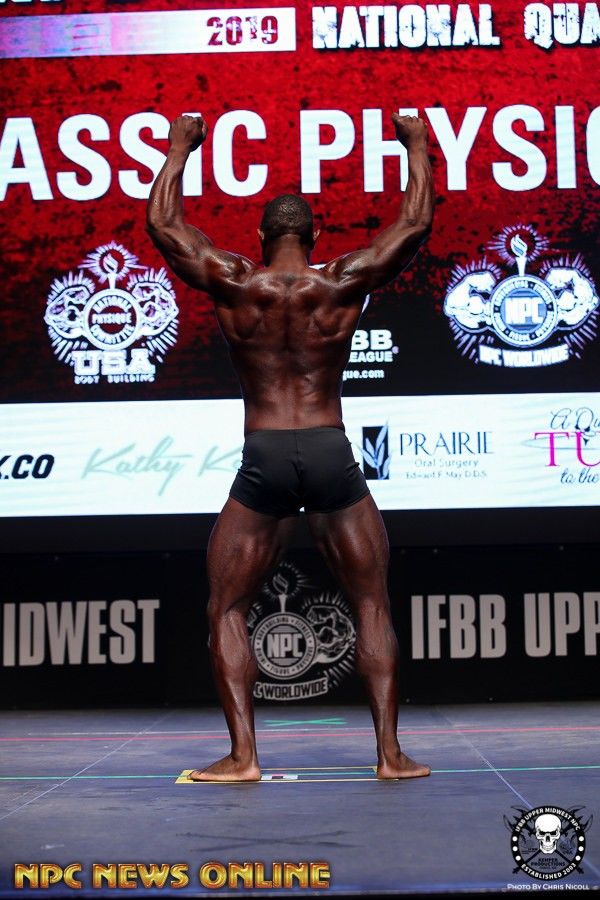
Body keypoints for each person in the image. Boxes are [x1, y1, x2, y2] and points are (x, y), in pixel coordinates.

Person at [146, 111, 435, 782]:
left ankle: (244, 757)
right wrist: (417, 145)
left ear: (260, 235)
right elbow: (414, 224)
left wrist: (180, 147)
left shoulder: (235, 281)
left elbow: (164, 226)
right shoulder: (340, 281)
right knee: (371, 602)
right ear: (314, 236)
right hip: (330, 450)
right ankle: (390, 756)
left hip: (266, 454)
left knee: (227, 606)